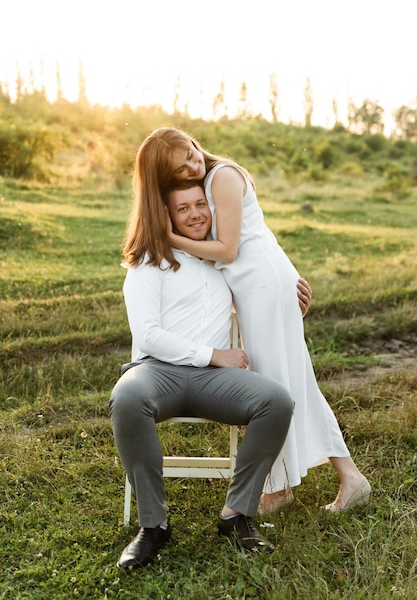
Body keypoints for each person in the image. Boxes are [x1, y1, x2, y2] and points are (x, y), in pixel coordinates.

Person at [133, 127, 371, 515]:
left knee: (272, 382)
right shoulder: (204, 183)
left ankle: (278, 489)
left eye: (192, 152)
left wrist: (169, 239)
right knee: (293, 379)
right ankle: (347, 477)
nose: (193, 164)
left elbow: (227, 250)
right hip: (255, 285)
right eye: (180, 168)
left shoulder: (222, 175)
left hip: (262, 283)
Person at [109, 181, 295, 570]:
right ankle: (153, 525)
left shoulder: (223, 260)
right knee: (127, 397)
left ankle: (236, 515)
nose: (194, 214)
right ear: (168, 216)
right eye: (183, 208)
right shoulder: (148, 261)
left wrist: (293, 297)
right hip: (158, 371)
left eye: (200, 205)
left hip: (212, 380)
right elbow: (148, 335)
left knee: (276, 401)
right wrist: (214, 355)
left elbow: (262, 293)